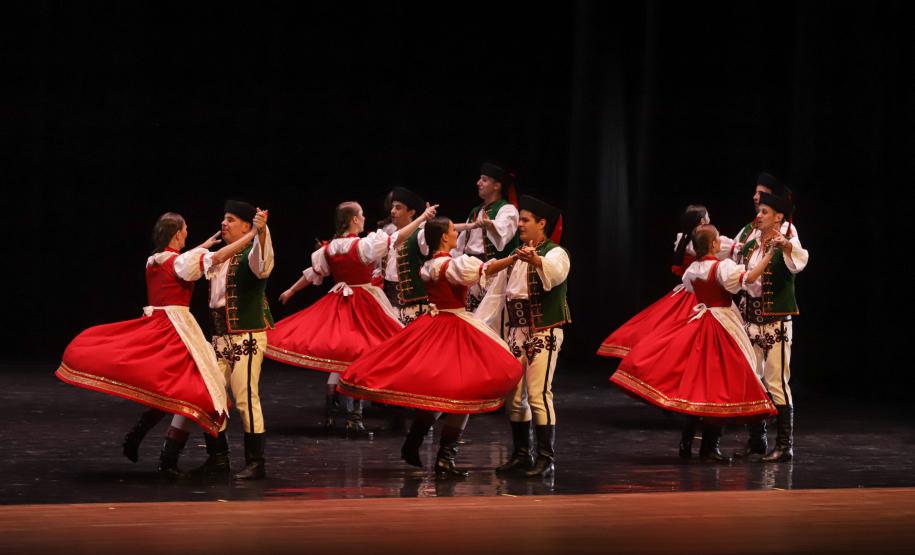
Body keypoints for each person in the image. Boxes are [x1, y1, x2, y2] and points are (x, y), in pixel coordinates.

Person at [56, 211, 259, 476]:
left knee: (180, 389)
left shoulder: (154, 260)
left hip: (158, 324)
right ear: (177, 234)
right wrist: (251, 236)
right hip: (177, 330)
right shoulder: (180, 261)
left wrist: (204, 245)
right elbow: (212, 259)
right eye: (185, 229)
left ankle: (152, 443)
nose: (187, 233)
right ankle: (197, 457)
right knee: (201, 388)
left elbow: (179, 262)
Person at [337, 216, 522, 477]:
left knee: (444, 392)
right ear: (445, 237)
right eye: (451, 230)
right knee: (464, 395)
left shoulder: (430, 265)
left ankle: (416, 441)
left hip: (435, 325)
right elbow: (484, 271)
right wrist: (513, 259)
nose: (455, 232)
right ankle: (444, 457)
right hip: (453, 327)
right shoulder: (451, 265)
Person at [265, 201, 437, 434]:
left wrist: (291, 291)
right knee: (364, 352)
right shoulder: (362, 245)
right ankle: (354, 418)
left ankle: (337, 412)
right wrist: (422, 218)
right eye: (362, 215)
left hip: (339, 301)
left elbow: (313, 272)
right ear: (354, 219)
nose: (365, 218)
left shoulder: (331, 247)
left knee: (347, 354)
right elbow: (396, 238)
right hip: (362, 302)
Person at [611, 225, 777, 461]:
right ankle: (710, 447)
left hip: (701, 324)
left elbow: (691, 289)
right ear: (713, 245)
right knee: (723, 382)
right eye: (718, 240)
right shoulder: (722, 268)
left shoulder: (692, 270)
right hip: (723, 325)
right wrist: (769, 255)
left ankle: (688, 443)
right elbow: (748, 278)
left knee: (699, 384)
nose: (721, 242)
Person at [483, 195, 571, 478]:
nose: (519, 224)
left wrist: (537, 260)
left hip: (542, 332)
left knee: (538, 394)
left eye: (525, 220)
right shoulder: (516, 256)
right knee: (515, 397)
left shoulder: (556, 252)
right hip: (515, 333)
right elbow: (500, 294)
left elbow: (555, 274)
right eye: (519, 219)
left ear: (541, 224)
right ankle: (522, 454)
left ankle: (546, 458)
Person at [188, 200, 273, 480]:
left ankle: (256, 462)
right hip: (219, 338)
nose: (224, 224)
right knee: (210, 397)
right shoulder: (220, 256)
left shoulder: (251, 253)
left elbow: (262, 264)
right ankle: (218, 458)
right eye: (223, 219)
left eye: (231, 220)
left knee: (245, 397)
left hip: (245, 336)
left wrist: (262, 233)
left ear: (247, 226)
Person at [597, 204, 732, 358]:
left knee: (666, 327)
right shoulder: (700, 242)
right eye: (707, 217)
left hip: (688, 289)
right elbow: (723, 251)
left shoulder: (684, 239)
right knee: (689, 334)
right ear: (702, 222)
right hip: (700, 294)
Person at [734, 186, 808, 462]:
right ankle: (757, 440)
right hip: (752, 321)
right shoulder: (753, 242)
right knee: (754, 380)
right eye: (759, 211)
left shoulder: (788, 236)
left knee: (777, 381)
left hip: (776, 322)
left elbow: (799, 260)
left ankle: (785, 445)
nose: (759, 215)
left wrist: (786, 245)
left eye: (765, 212)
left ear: (778, 216)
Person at [452, 162, 520, 313]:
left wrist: (490, 225)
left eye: (484, 179)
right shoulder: (475, 211)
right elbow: (460, 245)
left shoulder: (507, 210)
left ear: (497, 186)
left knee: (487, 322)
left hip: (492, 274)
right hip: (471, 272)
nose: (478, 183)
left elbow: (502, 234)